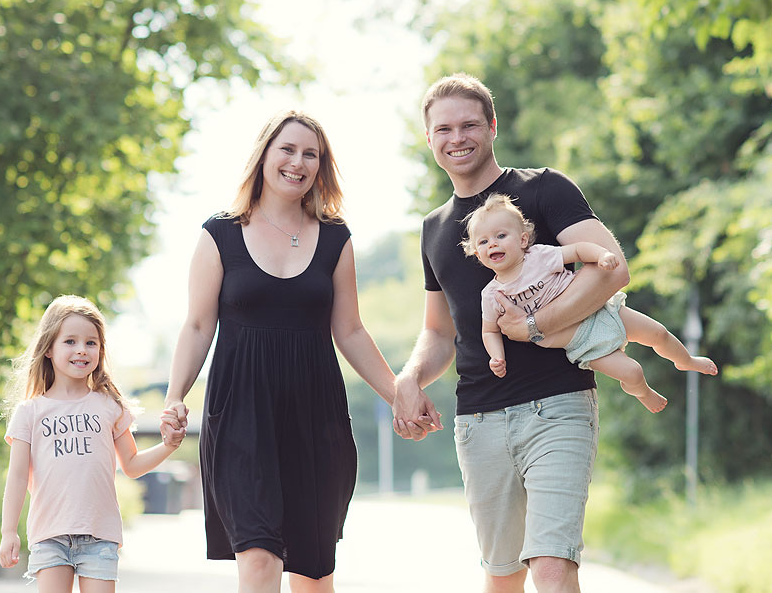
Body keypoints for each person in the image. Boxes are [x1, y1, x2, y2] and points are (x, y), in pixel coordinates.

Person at [391, 72, 639, 593]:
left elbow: (612, 269)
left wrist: (535, 325)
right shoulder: (434, 229)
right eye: (443, 129)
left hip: (559, 403)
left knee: (551, 562)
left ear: (492, 126)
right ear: (430, 138)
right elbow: (440, 333)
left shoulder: (543, 189)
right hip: (479, 418)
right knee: (502, 575)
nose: (456, 138)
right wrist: (411, 376)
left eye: (468, 125)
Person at [159, 111, 426, 593]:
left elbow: (350, 332)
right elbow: (198, 326)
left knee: (313, 572)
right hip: (240, 413)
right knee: (259, 557)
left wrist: (398, 394)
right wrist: (176, 395)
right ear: (264, 154)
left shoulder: (336, 238)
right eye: (287, 149)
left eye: (311, 154)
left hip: (315, 415)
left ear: (320, 167)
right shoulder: (219, 234)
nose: (297, 163)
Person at [464, 193, 717, 413]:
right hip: (580, 342)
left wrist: (602, 255)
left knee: (659, 334)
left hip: (599, 310)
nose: (492, 244)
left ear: (522, 240)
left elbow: (576, 250)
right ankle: (642, 392)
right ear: (477, 253)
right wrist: (496, 356)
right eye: (483, 242)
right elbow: (490, 330)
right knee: (633, 372)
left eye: (500, 235)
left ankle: (686, 360)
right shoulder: (492, 294)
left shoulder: (538, 257)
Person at [0, 294, 185, 592]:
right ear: (48, 348)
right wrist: (9, 531)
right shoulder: (30, 412)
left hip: (99, 536)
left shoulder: (110, 405)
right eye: (70, 341)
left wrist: (169, 446)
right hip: (50, 536)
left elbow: (133, 465)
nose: (81, 350)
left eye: (91, 342)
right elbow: (18, 476)